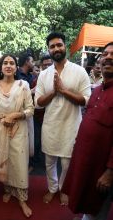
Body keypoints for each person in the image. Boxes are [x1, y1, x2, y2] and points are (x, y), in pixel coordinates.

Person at [35, 32, 91, 205]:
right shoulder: (44, 75)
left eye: (59, 45)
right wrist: (53, 91)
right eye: (52, 46)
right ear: (49, 50)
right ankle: (53, 189)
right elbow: (38, 102)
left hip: (71, 126)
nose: (56, 48)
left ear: (65, 46)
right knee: (50, 162)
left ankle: (64, 189)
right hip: (50, 126)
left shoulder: (79, 71)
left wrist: (64, 90)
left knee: (67, 164)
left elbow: (85, 100)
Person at [61, 42, 113, 220]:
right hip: (85, 162)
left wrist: (110, 172)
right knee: (85, 201)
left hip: (103, 170)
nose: (108, 57)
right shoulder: (97, 90)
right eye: (105, 54)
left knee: (97, 207)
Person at [0, 54, 34, 218]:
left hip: (19, 130)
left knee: (19, 162)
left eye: (12, 63)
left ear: (16, 67)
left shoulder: (23, 85)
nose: (9, 66)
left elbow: (30, 109)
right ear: (1, 66)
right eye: (5, 63)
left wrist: (15, 116)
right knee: (4, 159)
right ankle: (9, 189)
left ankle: (22, 198)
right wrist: (2, 119)